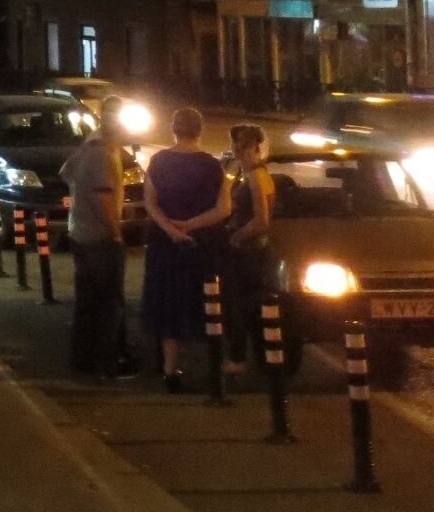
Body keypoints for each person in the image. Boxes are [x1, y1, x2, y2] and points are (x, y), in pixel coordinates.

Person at [140, 108, 230, 391]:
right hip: (202, 243)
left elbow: (150, 202)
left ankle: (170, 369)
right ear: (200, 130)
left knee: (168, 303)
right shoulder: (212, 166)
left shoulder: (159, 161)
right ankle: (213, 367)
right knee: (206, 302)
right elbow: (224, 208)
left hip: (165, 245)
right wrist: (192, 225)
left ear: (174, 129)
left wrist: (170, 229)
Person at [58, 114, 129, 380]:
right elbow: (103, 198)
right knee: (108, 303)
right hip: (99, 237)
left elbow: (65, 173)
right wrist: (115, 233)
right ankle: (106, 363)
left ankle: (82, 359)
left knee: (87, 301)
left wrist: (79, 195)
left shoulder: (87, 149)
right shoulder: (101, 155)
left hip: (79, 232)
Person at [220, 124, 276, 369]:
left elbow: (261, 219)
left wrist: (237, 237)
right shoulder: (245, 172)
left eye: (244, 144)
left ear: (256, 146)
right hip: (247, 248)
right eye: (236, 143)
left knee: (241, 304)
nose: (238, 149)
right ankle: (257, 357)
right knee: (245, 304)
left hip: (248, 250)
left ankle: (237, 357)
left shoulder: (256, 175)